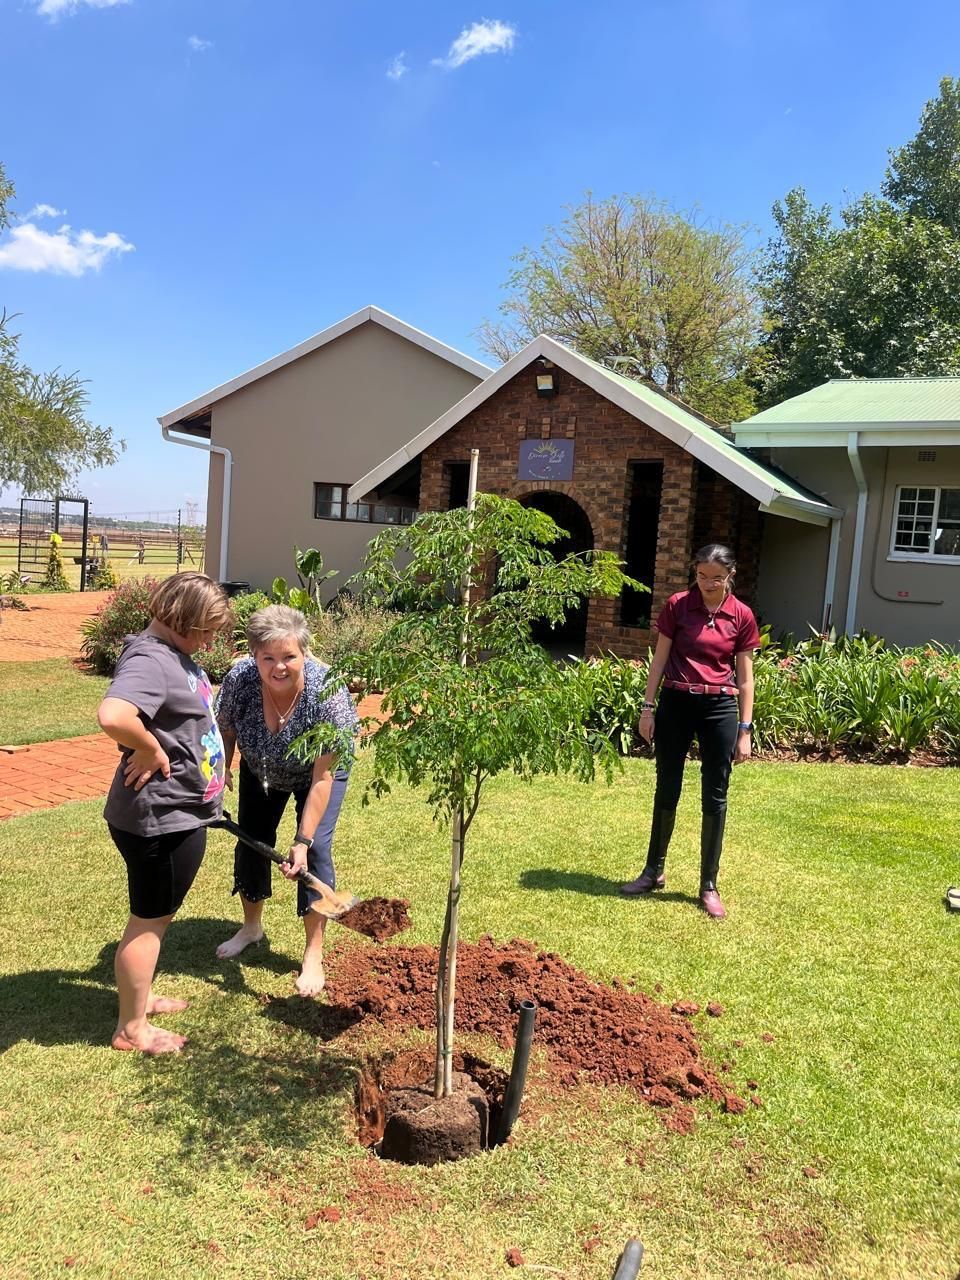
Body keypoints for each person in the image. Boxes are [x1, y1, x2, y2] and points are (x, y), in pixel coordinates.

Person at [97, 572, 232, 1054]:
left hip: (177, 812)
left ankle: (141, 997)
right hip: (160, 817)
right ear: (178, 618)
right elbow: (114, 715)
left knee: (157, 919)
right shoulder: (152, 660)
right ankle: (131, 1029)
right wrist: (152, 749)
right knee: (149, 921)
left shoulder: (170, 653)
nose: (210, 640)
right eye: (205, 629)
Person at [214, 604, 358, 995]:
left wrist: (302, 840)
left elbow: (323, 776)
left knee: (317, 852)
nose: (279, 667)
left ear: (304, 654)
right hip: (261, 767)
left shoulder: (327, 693)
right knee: (251, 843)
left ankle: (313, 953)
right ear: (253, 656)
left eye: (289, 657)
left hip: (317, 773)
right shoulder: (240, 680)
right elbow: (224, 728)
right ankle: (251, 927)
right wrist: (222, 768)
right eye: (268, 658)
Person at [621, 543, 759, 919]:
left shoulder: (741, 615)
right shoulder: (678, 605)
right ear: (693, 573)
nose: (708, 584)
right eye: (701, 576)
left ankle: (708, 885)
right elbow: (660, 659)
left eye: (716, 577)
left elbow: (745, 679)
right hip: (676, 703)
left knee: (715, 795)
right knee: (667, 787)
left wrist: (745, 729)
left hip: (719, 709)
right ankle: (653, 871)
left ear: (731, 575)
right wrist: (647, 708)